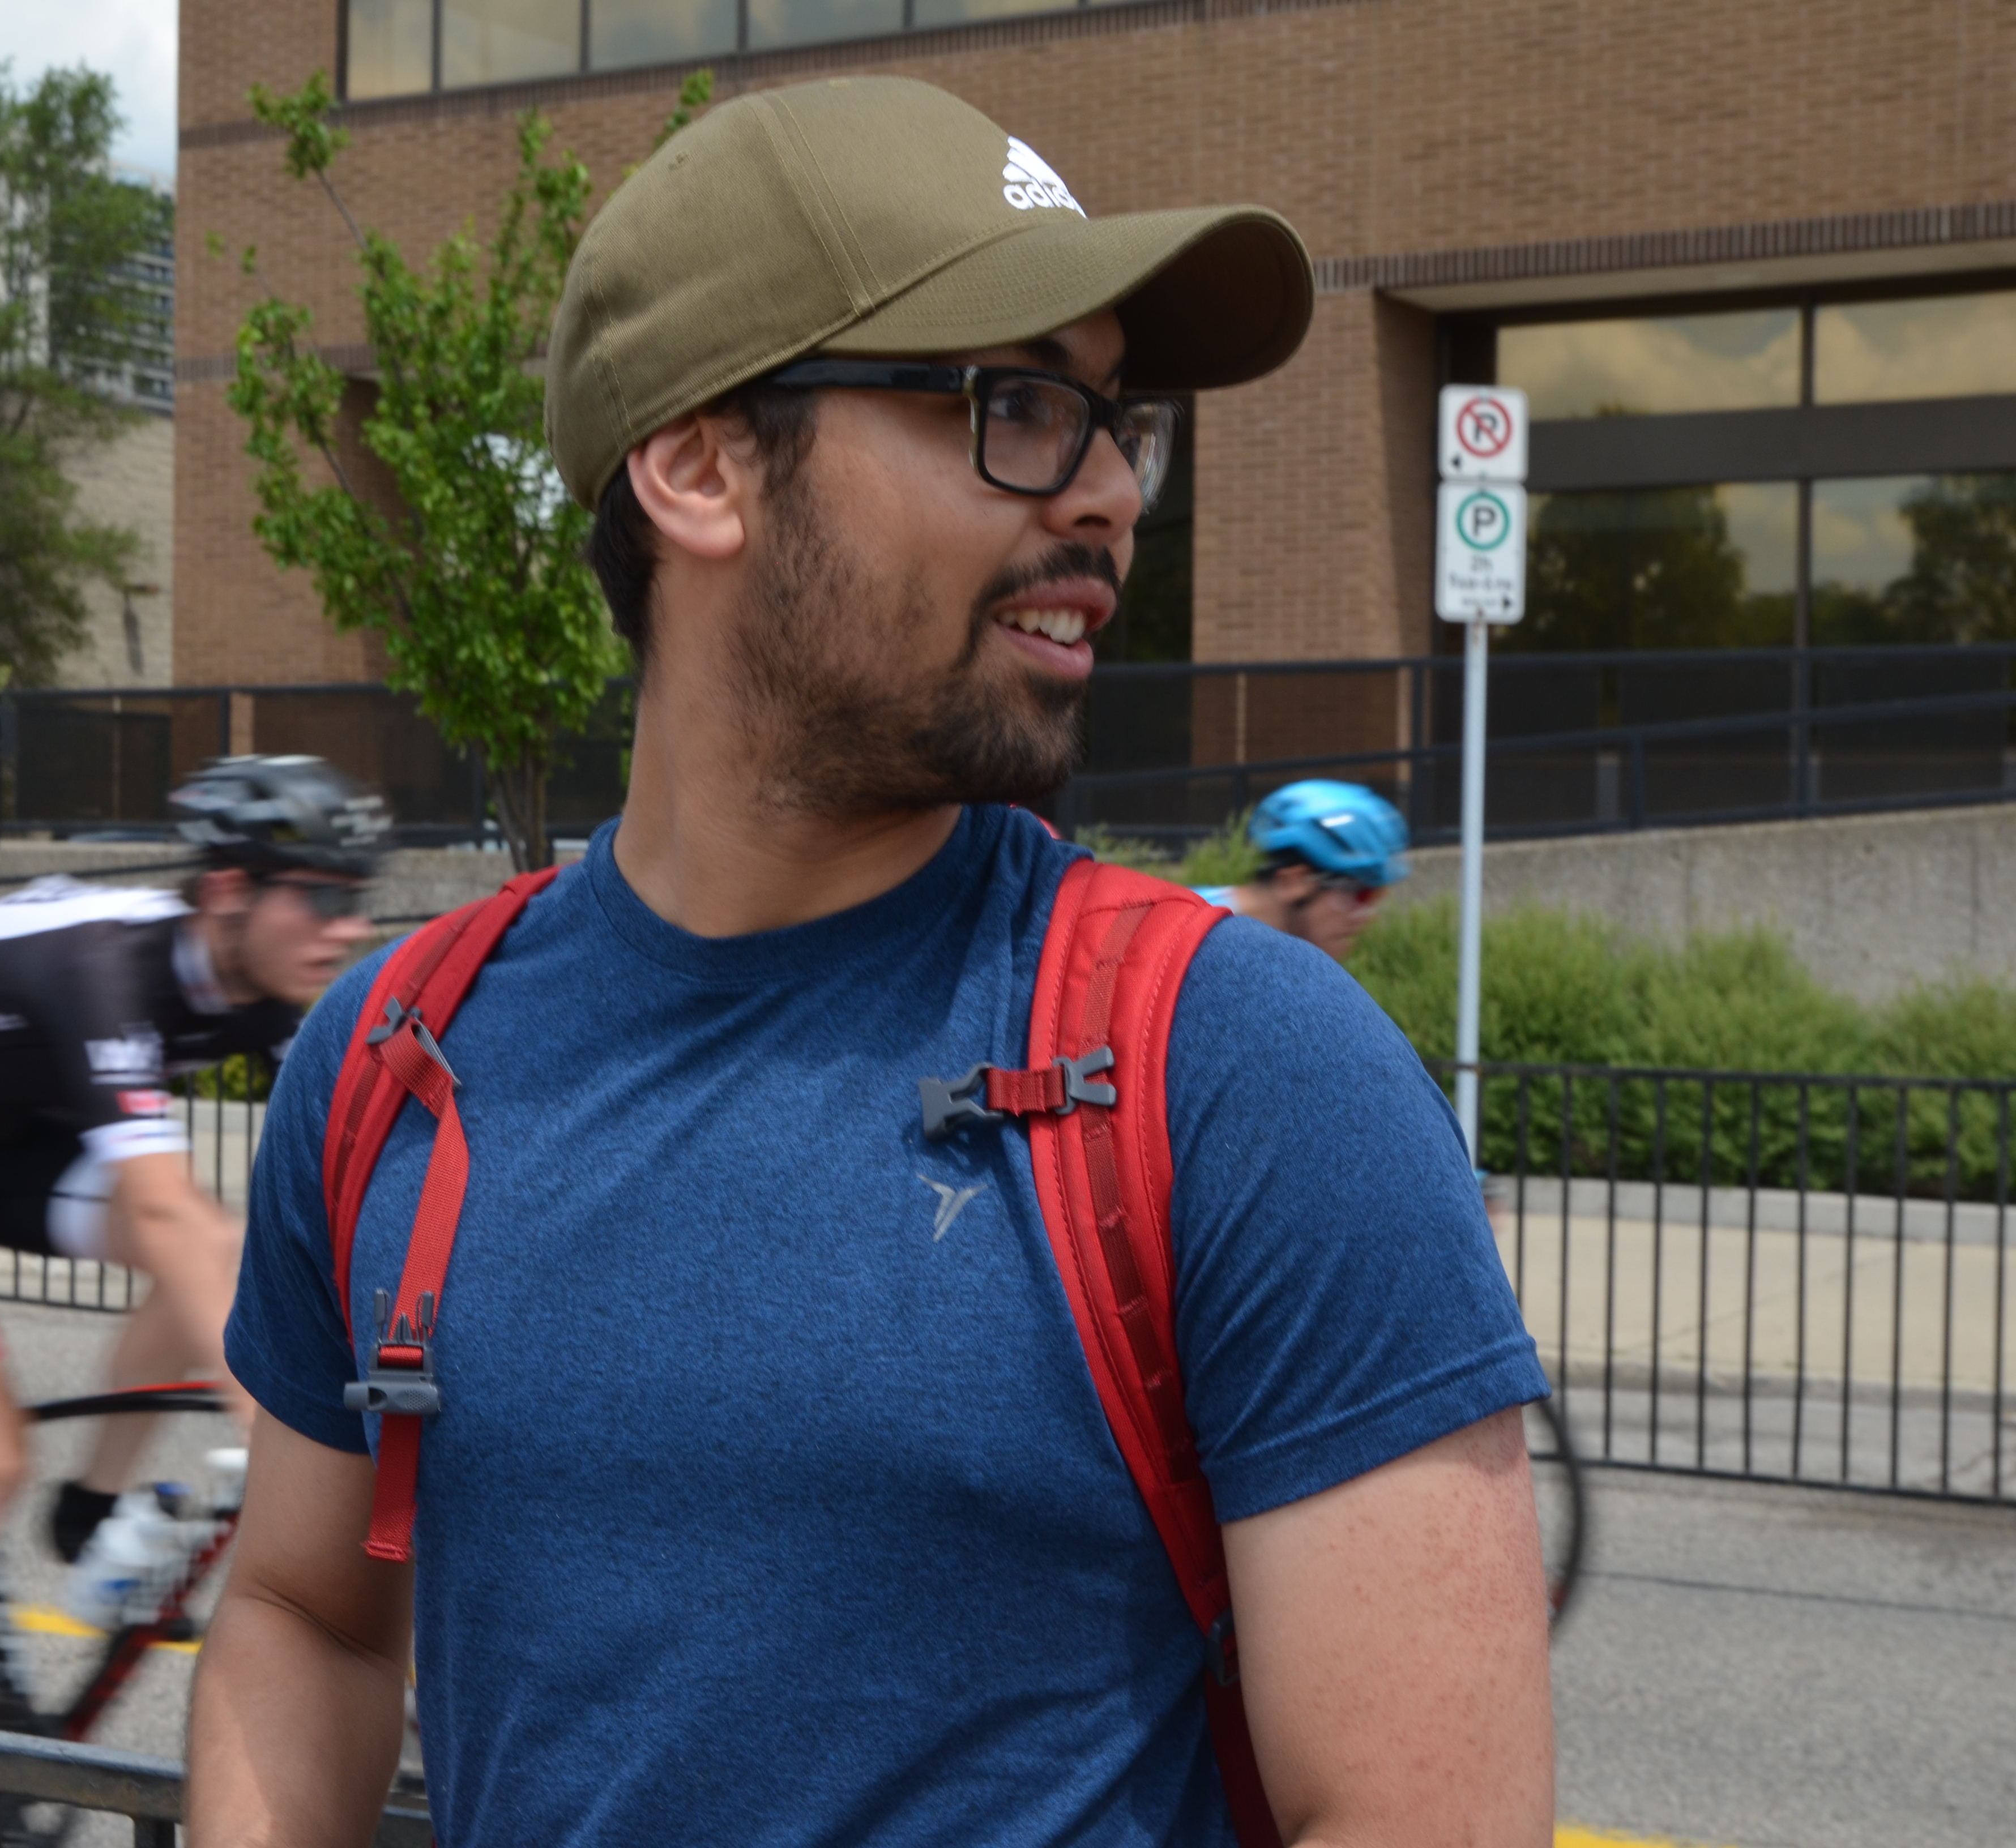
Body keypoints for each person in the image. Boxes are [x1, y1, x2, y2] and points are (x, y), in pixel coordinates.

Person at [190, 77, 1553, 1848]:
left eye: (1117, 422)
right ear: (698, 466)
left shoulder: (1244, 1070)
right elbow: (303, 1611)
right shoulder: (398, 1054)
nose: (1109, 495)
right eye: (1017, 406)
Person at [0, 754, 383, 1846]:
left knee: (220, 1239)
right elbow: (154, 1207)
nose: (344, 926)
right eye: (319, 894)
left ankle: (87, 1512)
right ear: (229, 890)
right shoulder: (103, 968)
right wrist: (271, 1417)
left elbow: (346, 1180)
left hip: (7, 1136)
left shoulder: (263, 993)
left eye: (357, 897)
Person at [1192, 779, 1411, 964]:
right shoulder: (1189, 938)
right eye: (1361, 894)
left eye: (1377, 896)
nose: (1366, 916)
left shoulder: (1282, 959)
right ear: (1292, 882)